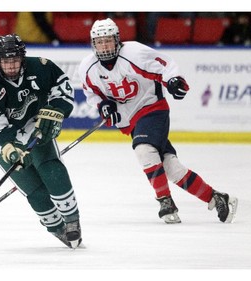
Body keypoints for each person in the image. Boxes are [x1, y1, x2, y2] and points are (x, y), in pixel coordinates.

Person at [78, 18, 238, 224]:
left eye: (108, 40)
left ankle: (165, 201)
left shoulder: (133, 53)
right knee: (172, 168)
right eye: (99, 42)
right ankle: (217, 198)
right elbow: (92, 93)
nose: (104, 46)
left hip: (152, 107)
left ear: (117, 40)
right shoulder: (87, 66)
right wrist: (103, 105)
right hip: (131, 120)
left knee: (144, 149)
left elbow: (164, 64)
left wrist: (173, 79)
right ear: (93, 44)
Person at [0, 34, 81, 248]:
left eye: (15, 60)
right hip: (3, 140)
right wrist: (10, 147)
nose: (11, 66)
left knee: (50, 168)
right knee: (33, 189)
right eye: (6, 61)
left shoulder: (41, 67)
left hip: (36, 126)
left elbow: (63, 90)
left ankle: (71, 221)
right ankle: (56, 228)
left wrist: (57, 110)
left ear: (22, 58)